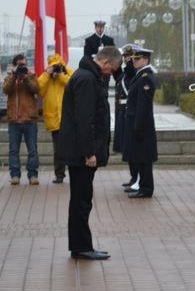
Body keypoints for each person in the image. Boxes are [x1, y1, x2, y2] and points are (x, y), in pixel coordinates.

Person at [58, 46, 122, 260]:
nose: (111, 74)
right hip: (81, 154)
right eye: (112, 69)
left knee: (82, 199)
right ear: (105, 63)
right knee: (81, 201)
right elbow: (84, 120)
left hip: (79, 151)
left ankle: (81, 245)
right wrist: (89, 153)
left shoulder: (88, 76)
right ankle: (81, 247)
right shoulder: (86, 79)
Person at [122, 46, 158, 198]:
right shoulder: (140, 75)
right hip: (136, 123)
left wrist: (137, 126)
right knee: (140, 157)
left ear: (146, 60)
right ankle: (143, 186)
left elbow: (142, 106)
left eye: (137, 59)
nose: (134, 61)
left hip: (142, 125)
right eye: (134, 59)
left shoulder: (146, 77)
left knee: (144, 159)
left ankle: (146, 188)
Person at [3, 54, 40, 185]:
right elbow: (6, 90)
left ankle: (33, 175)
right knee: (13, 150)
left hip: (29, 119)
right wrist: (14, 76)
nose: (22, 67)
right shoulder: (10, 77)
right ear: (14, 65)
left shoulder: (31, 76)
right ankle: (15, 175)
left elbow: (36, 89)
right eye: (19, 65)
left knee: (33, 150)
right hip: (14, 119)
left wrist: (27, 78)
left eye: (24, 64)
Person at [37, 53, 73, 184]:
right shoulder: (47, 76)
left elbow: (73, 85)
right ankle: (59, 175)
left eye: (56, 66)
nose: (55, 69)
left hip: (68, 118)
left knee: (71, 148)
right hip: (54, 119)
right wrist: (47, 74)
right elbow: (39, 89)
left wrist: (61, 76)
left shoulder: (67, 71)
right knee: (58, 150)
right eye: (53, 67)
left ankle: (74, 172)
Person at [115, 45, 139, 187]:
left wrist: (130, 64)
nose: (127, 59)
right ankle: (133, 176)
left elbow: (130, 72)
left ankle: (136, 177)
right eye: (125, 57)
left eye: (130, 57)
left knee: (132, 148)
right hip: (122, 113)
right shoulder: (124, 74)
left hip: (130, 113)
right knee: (127, 148)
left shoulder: (134, 73)